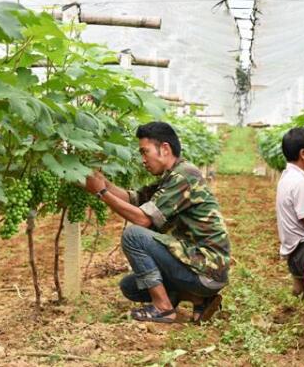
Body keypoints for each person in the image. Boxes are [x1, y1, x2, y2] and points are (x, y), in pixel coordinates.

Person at [84, 121, 230, 324]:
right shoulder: (172, 176)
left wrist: (101, 192)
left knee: (133, 235)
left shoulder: (184, 176)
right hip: (197, 264)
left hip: (206, 269)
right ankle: (199, 298)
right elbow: (134, 198)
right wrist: (104, 182)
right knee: (131, 287)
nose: (142, 159)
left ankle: (163, 308)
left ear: (164, 149)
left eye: (145, 152)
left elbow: (143, 219)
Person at [276, 127, 304, 296]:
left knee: (302, 296)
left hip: (294, 252)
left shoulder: (287, 176)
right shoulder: (300, 183)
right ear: (303, 153)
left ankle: (299, 293)